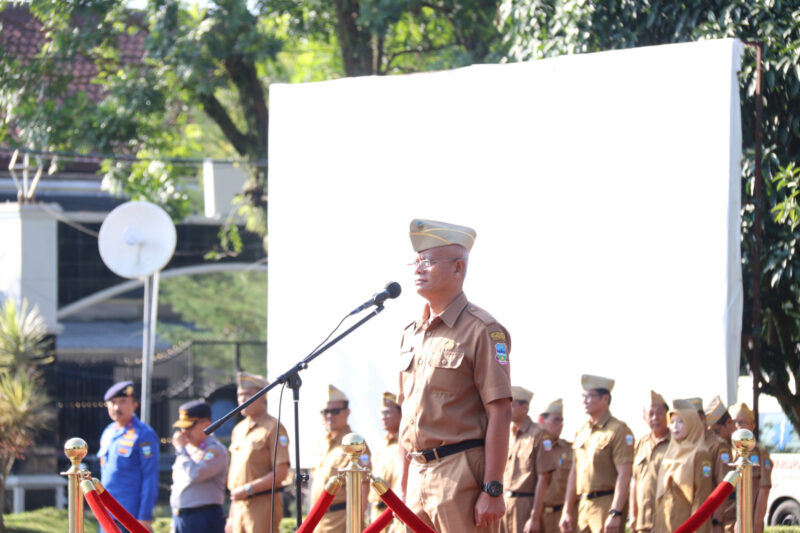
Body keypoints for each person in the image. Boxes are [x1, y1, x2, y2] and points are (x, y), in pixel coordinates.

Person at [398, 219, 512, 532]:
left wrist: (492, 488)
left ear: (458, 268)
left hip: (459, 473)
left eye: (429, 261)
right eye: (416, 261)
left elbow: (500, 412)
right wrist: (401, 481)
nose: (418, 269)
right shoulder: (411, 334)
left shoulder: (483, 330)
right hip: (416, 472)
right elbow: (404, 416)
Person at [559, 374, 633, 533]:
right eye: (583, 396)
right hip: (584, 506)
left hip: (606, 504)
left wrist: (616, 511)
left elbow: (625, 474)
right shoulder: (582, 431)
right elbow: (574, 472)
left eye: (590, 396)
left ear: (605, 399)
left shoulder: (618, 430)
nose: (584, 401)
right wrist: (566, 510)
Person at [226, 372, 290, 533]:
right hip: (239, 506)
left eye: (248, 394)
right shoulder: (238, 430)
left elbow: (281, 472)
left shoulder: (274, 427)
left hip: (262, 504)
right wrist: (231, 517)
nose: (242, 399)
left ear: (263, 396)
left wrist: (249, 489)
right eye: (240, 394)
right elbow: (237, 480)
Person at [98, 381, 159, 532]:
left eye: (123, 402)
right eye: (113, 402)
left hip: (129, 516)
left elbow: (149, 478)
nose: (117, 407)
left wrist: (145, 515)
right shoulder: (108, 432)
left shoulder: (144, 434)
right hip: (106, 513)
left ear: (135, 405)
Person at [310, 384, 372, 533]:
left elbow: (363, 485)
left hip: (343, 521)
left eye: (335, 411)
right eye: (325, 412)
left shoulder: (354, 443)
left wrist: (356, 521)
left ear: (347, 412)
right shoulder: (322, 444)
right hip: (319, 520)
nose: (329, 416)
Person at [501, 386, 556, 533]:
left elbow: (544, 477)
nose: (507, 409)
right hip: (505, 504)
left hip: (525, 506)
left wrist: (534, 517)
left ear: (524, 408)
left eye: (512, 405)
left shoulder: (540, 434)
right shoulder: (508, 435)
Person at [674, 397, 733, 533]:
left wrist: (716, 521)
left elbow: (723, 486)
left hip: (706, 520)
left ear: (701, 419)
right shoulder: (683, 446)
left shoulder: (717, 446)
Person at [170, 400, 229, 533]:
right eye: (182, 427)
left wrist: (180, 449)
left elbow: (195, 474)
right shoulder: (187, 450)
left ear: (206, 424)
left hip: (203, 516)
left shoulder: (214, 451)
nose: (183, 432)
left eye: (189, 427)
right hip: (182, 516)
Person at [654, 408, 714, 533]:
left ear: (692, 423)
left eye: (681, 421)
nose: (675, 426)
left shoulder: (700, 454)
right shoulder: (669, 453)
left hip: (686, 527)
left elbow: (701, 499)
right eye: (672, 422)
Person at [630, 391, 670, 533]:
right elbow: (634, 481)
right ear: (644, 417)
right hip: (643, 521)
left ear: (667, 415)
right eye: (651, 414)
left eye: (659, 413)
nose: (655, 418)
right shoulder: (640, 444)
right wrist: (633, 515)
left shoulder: (676, 443)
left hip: (668, 520)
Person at [729, 402, 772, 533]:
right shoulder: (725, 451)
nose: (738, 426)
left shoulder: (760, 452)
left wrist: (757, 524)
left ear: (752, 426)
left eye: (743, 422)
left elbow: (764, 490)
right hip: (726, 520)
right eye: (735, 422)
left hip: (747, 522)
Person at [536, 399, 572, 533]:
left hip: (561, 518)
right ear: (541, 420)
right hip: (535, 516)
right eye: (556, 420)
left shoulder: (569, 450)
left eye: (562, 421)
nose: (560, 424)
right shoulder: (530, 448)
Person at [369, 392, 403, 533]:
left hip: (398, 513)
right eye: (382, 413)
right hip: (377, 513)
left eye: (388, 412)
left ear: (401, 414)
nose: (383, 416)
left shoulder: (406, 443)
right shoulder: (382, 445)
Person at [705, 395, 736, 533]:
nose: (714, 436)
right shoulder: (719, 446)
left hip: (726, 518)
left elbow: (724, 485)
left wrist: (716, 521)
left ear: (729, 422)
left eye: (716, 431)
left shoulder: (723, 447)